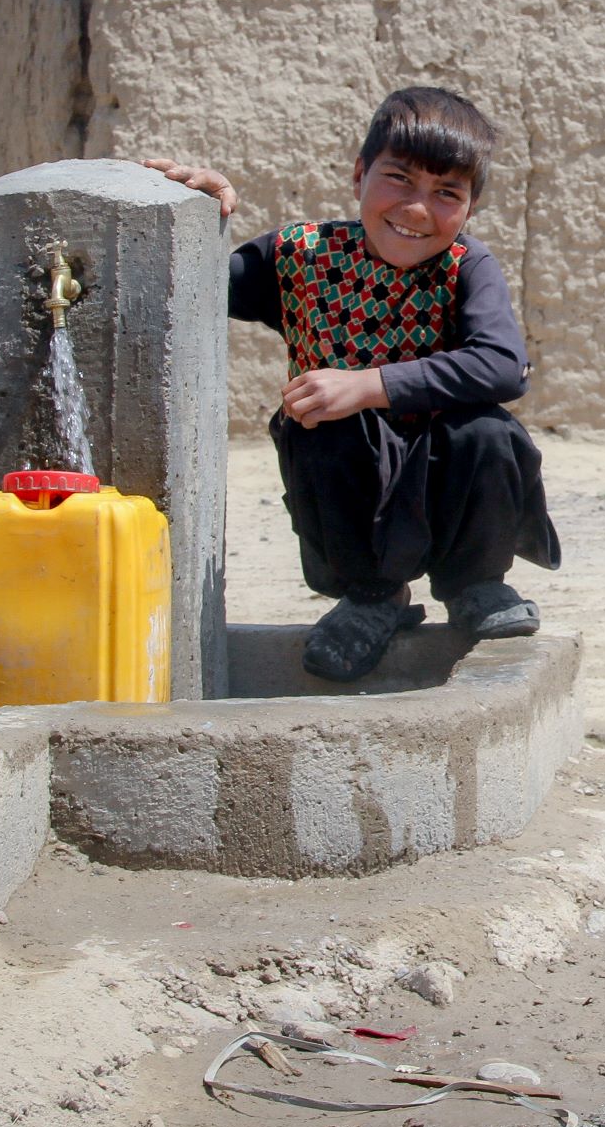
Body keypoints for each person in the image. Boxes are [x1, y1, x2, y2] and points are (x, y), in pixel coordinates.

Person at [144, 86, 559, 682]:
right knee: (316, 422)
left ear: (470, 208)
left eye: (447, 192)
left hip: (440, 466)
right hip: (348, 473)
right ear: (359, 173)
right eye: (399, 179)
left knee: (488, 433)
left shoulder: (467, 265)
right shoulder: (301, 256)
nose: (418, 209)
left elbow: (501, 365)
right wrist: (195, 216)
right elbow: (200, 285)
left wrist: (369, 385)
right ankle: (374, 597)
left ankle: (474, 584)